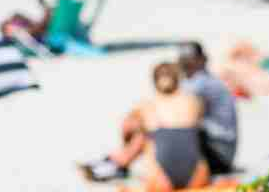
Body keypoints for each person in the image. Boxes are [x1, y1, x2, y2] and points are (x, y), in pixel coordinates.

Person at [81, 63, 209, 190]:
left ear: (154, 81)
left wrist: (127, 143)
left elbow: (126, 127)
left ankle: (115, 165)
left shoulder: (146, 105)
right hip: (196, 175)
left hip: (162, 176)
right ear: (178, 79)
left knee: (144, 138)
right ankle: (115, 164)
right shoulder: (194, 101)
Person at [177, 43, 238, 175]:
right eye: (182, 57)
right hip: (218, 149)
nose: (185, 61)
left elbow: (188, 117)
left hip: (220, 153)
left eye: (189, 57)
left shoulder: (203, 83)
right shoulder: (192, 82)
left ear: (202, 59)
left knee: (174, 129)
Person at [0, 0, 71, 42]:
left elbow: (41, 27)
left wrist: (45, 7)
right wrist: (45, 6)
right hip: (41, 26)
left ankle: (10, 27)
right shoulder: (65, 7)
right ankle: (10, 26)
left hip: (42, 30)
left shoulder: (61, 8)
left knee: (14, 19)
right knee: (17, 15)